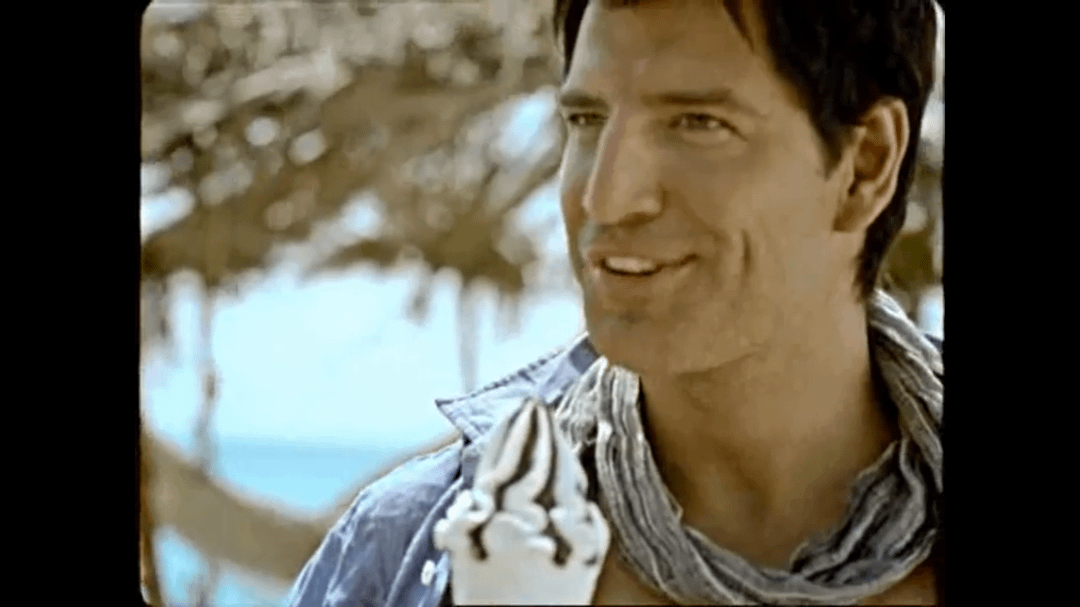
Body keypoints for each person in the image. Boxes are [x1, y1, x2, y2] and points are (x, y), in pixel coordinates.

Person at [286, 0, 944, 604]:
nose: (606, 197)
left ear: (865, 165)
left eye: (696, 122)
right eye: (587, 120)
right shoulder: (406, 553)